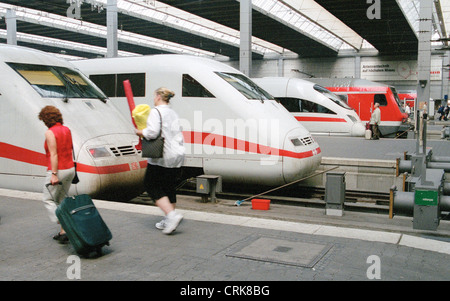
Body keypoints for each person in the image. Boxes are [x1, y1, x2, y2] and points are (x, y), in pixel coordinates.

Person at [136, 87, 185, 234]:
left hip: (162, 155)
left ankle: (171, 215)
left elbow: (152, 133)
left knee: (150, 185)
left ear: (158, 96)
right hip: (177, 154)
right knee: (168, 186)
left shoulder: (155, 111)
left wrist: (140, 132)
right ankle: (169, 219)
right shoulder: (173, 112)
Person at [38, 106, 75, 243]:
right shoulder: (67, 130)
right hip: (70, 168)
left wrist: (54, 174)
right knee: (60, 200)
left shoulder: (50, 133)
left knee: (48, 199)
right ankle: (63, 233)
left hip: (58, 170)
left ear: (46, 120)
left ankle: (67, 224)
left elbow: (54, 154)